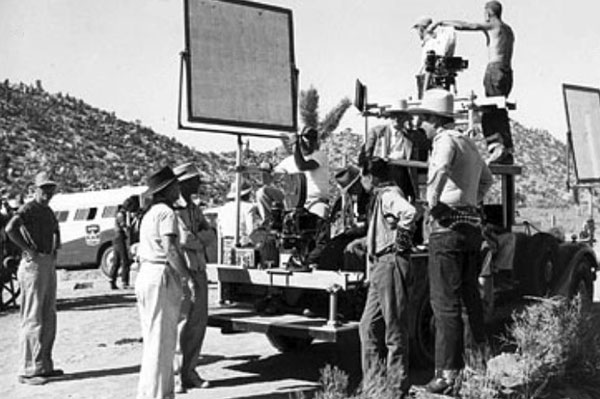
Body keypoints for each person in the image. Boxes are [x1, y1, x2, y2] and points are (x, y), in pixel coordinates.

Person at [410, 88, 493, 394]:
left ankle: (446, 375)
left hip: (447, 229)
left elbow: (440, 170)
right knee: (470, 301)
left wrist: (433, 205)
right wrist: (472, 204)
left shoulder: (444, 141)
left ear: (435, 119)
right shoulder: (468, 143)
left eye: (424, 120)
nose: (422, 126)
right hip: (470, 228)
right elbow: (487, 179)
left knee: (444, 304)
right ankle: (477, 366)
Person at [430, 0, 515, 164]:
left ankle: (497, 147)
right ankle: (507, 151)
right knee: (500, 111)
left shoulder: (492, 26)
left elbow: (467, 25)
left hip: (495, 70)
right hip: (507, 72)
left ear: (488, 13)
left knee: (489, 113)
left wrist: (443, 22)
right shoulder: (508, 30)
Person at [135, 166, 194, 399]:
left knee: (153, 339)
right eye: (175, 185)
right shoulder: (167, 214)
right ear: (167, 189)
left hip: (147, 273)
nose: (179, 188)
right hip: (161, 274)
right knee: (163, 341)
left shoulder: (149, 214)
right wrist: (188, 277)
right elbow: (170, 248)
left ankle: (153, 392)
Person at [359, 157, 417, 396]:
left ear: (370, 177)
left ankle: (395, 386)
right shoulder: (381, 198)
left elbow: (409, 213)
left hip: (390, 262)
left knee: (394, 328)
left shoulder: (387, 196)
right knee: (368, 326)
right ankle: (373, 383)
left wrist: (400, 244)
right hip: (380, 265)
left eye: (363, 177)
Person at [5, 172, 62, 385]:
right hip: (33, 265)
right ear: (35, 189)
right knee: (32, 316)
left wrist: (55, 250)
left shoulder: (47, 211)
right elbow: (11, 228)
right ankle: (28, 368)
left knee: (48, 315)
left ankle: (43, 365)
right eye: (44, 188)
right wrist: (28, 250)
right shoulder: (28, 209)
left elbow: (55, 231)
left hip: (47, 262)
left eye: (51, 189)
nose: (48, 193)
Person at [171, 162, 213, 393]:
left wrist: (200, 237)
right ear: (184, 183)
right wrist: (200, 238)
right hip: (183, 270)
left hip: (199, 268)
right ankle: (177, 374)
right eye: (195, 180)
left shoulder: (194, 209)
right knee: (182, 323)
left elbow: (211, 234)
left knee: (198, 323)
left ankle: (190, 370)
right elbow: (185, 240)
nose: (198, 184)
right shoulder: (174, 210)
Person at [361, 100, 429, 202]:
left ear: (406, 118)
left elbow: (427, 139)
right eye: (394, 115)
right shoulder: (377, 132)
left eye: (400, 115)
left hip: (402, 175)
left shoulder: (412, 136)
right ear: (390, 117)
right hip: (382, 174)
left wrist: (416, 123)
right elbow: (366, 157)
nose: (397, 119)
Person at [275, 126, 329, 219]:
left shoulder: (319, 155)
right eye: (307, 137)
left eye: (313, 138)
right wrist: (266, 169)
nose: (310, 141)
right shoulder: (288, 161)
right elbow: (274, 176)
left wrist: (295, 144)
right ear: (300, 138)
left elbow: (302, 166)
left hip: (314, 201)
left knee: (321, 215)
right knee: (263, 193)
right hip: (293, 203)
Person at [412, 16, 457, 98]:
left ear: (421, 29)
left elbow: (430, 67)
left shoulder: (431, 44)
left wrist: (424, 93)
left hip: (429, 82)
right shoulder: (435, 42)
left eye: (418, 30)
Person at [217, 180, 260, 247]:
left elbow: (219, 229)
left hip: (224, 244)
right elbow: (251, 230)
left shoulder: (223, 208)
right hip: (241, 242)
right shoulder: (249, 207)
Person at [255, 161, 284, 227]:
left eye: (265, 172)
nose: (262, 175)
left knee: (262, 191)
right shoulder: (265, 185)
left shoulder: (277, 179)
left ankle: (269, 220)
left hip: (283, 202)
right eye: (261, 172)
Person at [110, 203, 130, 290]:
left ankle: (112, 279)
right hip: (120, 238)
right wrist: (128, 229)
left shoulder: (118, 214)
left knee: (116, 260)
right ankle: (124, 281)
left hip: (116, 238)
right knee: (124, 260)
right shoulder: (121, 214)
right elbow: (124, 226)